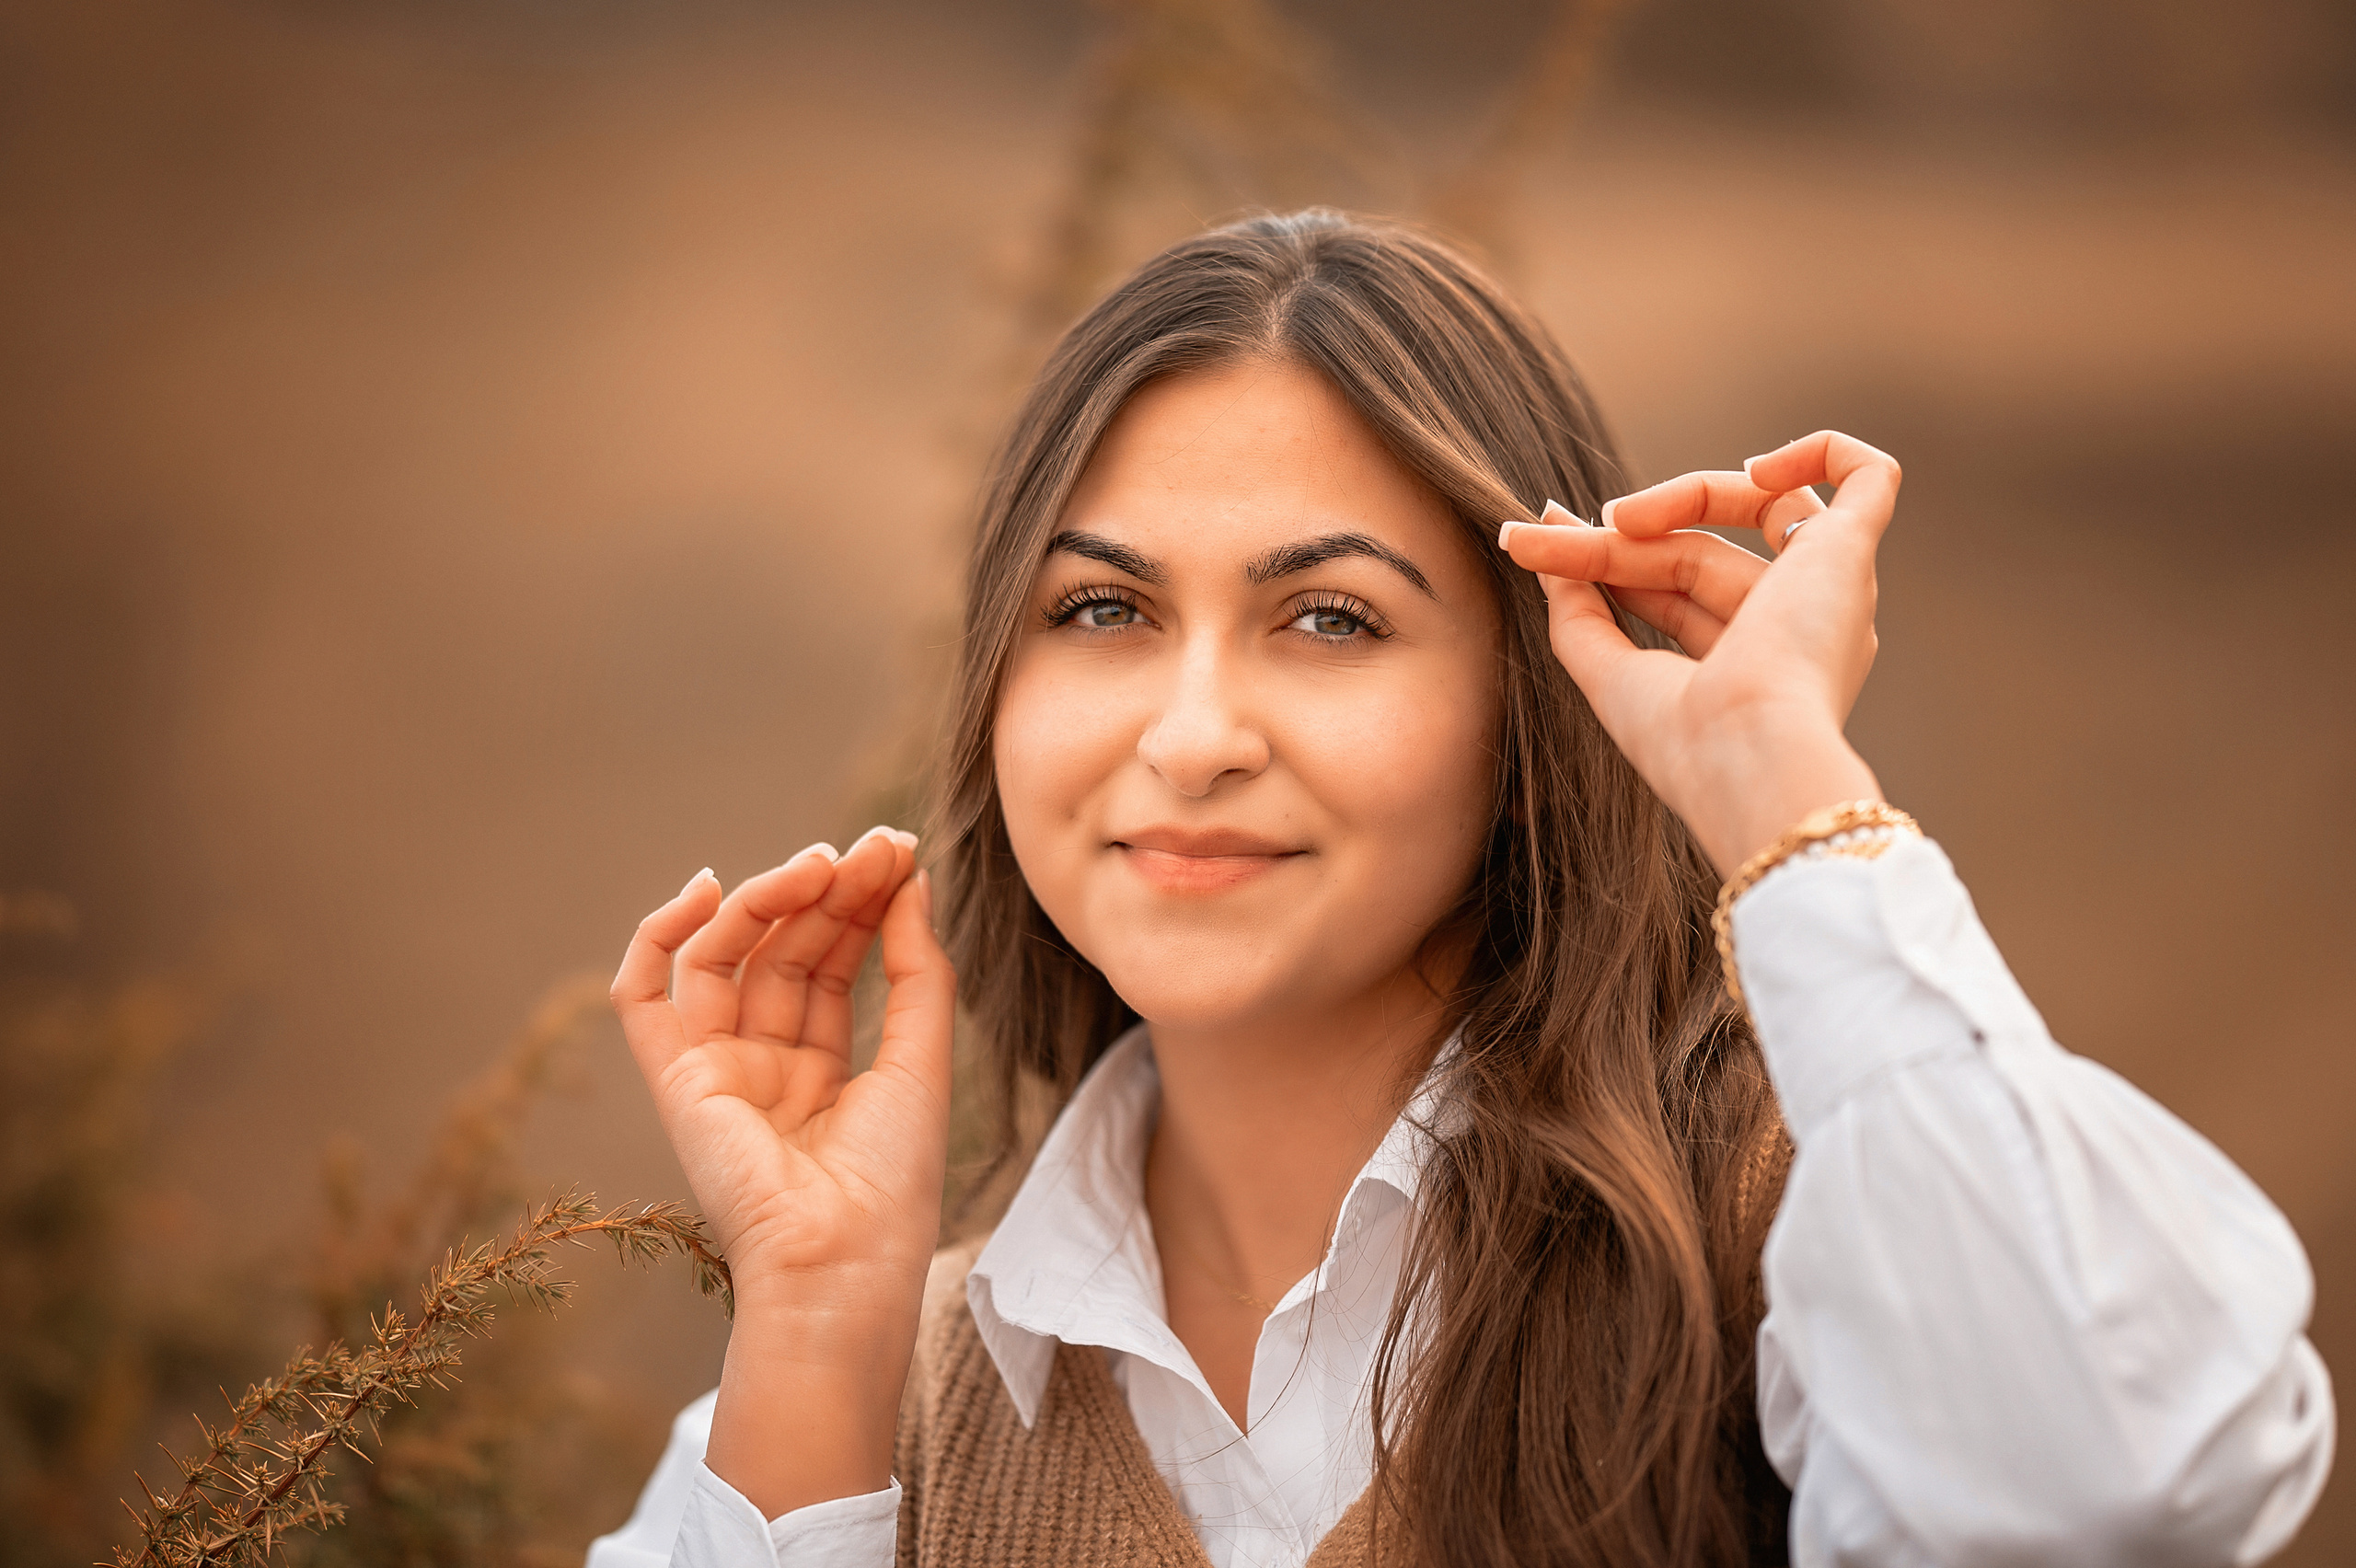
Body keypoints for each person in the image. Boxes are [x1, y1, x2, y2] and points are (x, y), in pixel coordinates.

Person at [584, 211, 2332, 1568]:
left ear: (1528, 696)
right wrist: (815, 1323)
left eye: (1329, 620)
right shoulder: (887, 1396)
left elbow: (2121, 1494)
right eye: (1103, 612)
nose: (1191, 738)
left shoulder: (1781, 1241)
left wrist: (1783, 788)